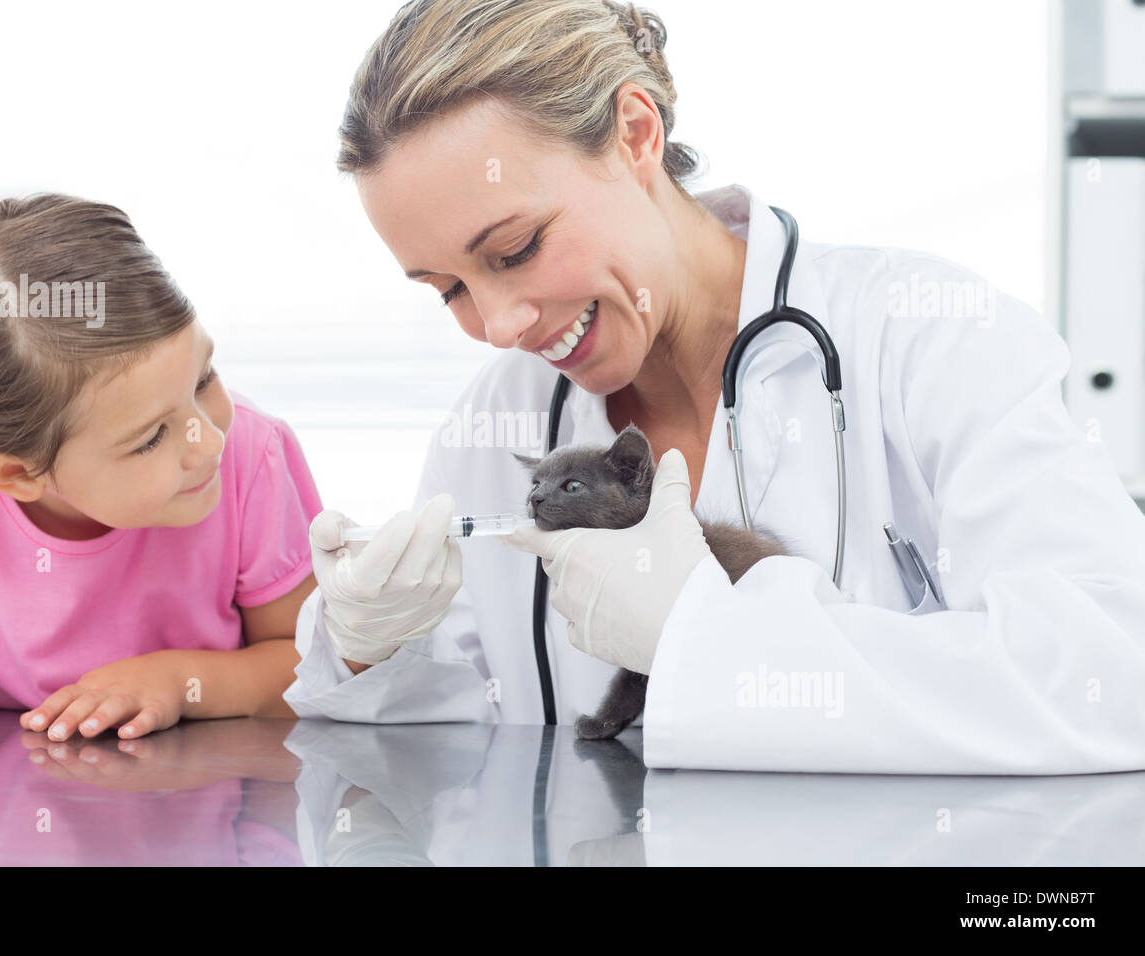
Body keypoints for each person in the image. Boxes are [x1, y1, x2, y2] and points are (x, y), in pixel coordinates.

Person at [286, 0, 1145, 773]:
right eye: (450, 290)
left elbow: (1111, 674)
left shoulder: (930, 335)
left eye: (515, 250)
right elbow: (443, 768)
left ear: (634, 134)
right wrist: (372, 650)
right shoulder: (496, 419)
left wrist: (716, 643)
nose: (502, 322)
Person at [0, 195, 321, 742]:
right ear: (19, 476)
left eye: (202, 379)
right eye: (149, 440)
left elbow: (309, 661)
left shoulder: (249, 459)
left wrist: (179, 681)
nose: (208, 441)